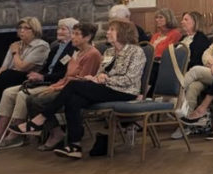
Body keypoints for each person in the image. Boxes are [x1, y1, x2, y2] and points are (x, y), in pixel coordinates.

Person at [10, 20, 146, 159]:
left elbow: (131, 79)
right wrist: (96, 78)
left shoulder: (136, 51)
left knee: (74, 85)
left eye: (111, 29)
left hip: (125, 92)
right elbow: (100, 72)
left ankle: (40, 119)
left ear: (123, 33)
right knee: (73, 100)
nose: (107, 32)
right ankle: (75, 145)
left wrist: (106, 79)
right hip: (105, 88)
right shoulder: (109, 51)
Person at [0, 18, 85, 149]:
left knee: (23, 94)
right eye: (59, 28)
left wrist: (42, 76)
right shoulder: (56, 47)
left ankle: (15, 135)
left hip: (54, 83)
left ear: (72, 33)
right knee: (7, 91)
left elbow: (63, 74)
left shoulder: (72, 50)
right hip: (43, 80)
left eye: (64, 29)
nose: (59, 31)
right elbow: (46, 68)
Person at [0, 17, 49, 115]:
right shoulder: (16, 44)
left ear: (34, 30)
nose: (21, 31)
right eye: (20, 28)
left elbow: (21, 68)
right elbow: (3, 68)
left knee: (8, 74)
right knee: (1, 88)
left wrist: (15, 52)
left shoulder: (41, 46)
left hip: (29, 77)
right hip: (9, 77)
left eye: (26, 28)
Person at [146, 8, 183, 97]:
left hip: (165, 63)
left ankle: (146, 95)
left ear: (168, 18)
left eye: (161, 17)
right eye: (156, 18)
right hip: (152, 62)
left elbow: (168, 51)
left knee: (153, 68)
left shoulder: (175, 34)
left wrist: (155, 56)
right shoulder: (155, 35)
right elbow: (148, 50)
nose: (157, 20)